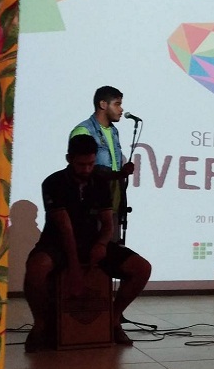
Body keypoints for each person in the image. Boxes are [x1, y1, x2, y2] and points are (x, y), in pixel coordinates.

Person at [23, 134, 152, 351]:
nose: (86, 169)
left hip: (92, 241)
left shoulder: (99, 182)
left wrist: (101, 244)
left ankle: (112, 320)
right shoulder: (53, 182)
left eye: (91, 164)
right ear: (69, 159)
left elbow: (107, 224)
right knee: (36, 268)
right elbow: (65, 229)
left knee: (142, 268)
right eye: (81, 164)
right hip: (57, 242)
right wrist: (74, 268)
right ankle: (41, 325)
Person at [70, 85, 135, 235]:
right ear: (103, 104)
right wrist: (119, 174)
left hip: (113, 204)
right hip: (91, 206)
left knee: (112, 245)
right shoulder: (84, 130)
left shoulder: (113, 131)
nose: (121, 109)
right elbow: (81, 171)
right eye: (117, 104)